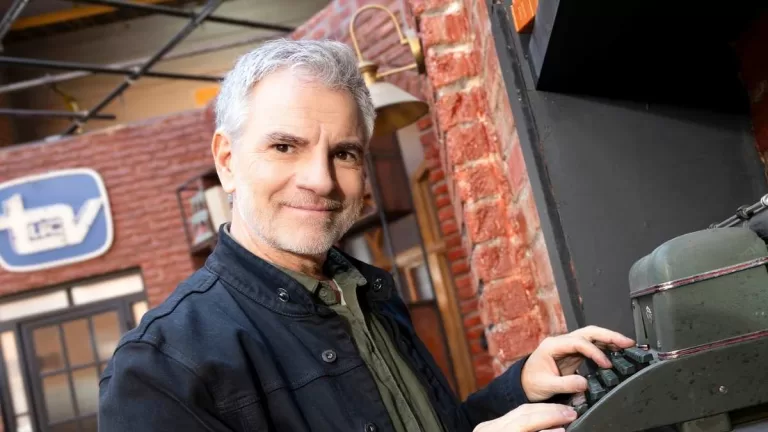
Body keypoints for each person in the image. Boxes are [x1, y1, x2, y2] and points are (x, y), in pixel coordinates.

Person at [98, 39, 634, 432]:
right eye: (285, 146)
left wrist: (520, 388)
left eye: (344, 153)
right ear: (227, 161)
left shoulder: (368, 296)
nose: (320, 180)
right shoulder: (160, 366)